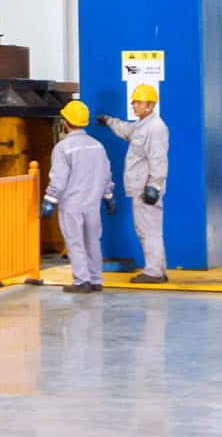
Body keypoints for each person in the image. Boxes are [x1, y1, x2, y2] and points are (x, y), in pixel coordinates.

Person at [43, 101, 111, 292]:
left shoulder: (63, 148)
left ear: (65, 122)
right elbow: (106, 174)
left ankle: (82, 281)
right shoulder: (97, 146)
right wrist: (108, 195)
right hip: (92, 204)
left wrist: (49, 200)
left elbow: (59, 178)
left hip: (72, 205)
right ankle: (96, 280)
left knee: (75, 242)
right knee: (93, 242)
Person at [104, 81, 168, 282]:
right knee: (148, 230)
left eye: (138, 102)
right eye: (134, 102)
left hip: (146, 189)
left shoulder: (156, 128)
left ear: (150, 105)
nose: (134, 106)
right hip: (140, 188)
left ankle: (153, 272)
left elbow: (158, 159)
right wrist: (109, 121)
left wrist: (154, 186)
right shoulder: (142, 125)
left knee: (148, 230)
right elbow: (127, 130)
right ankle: (159, 270)